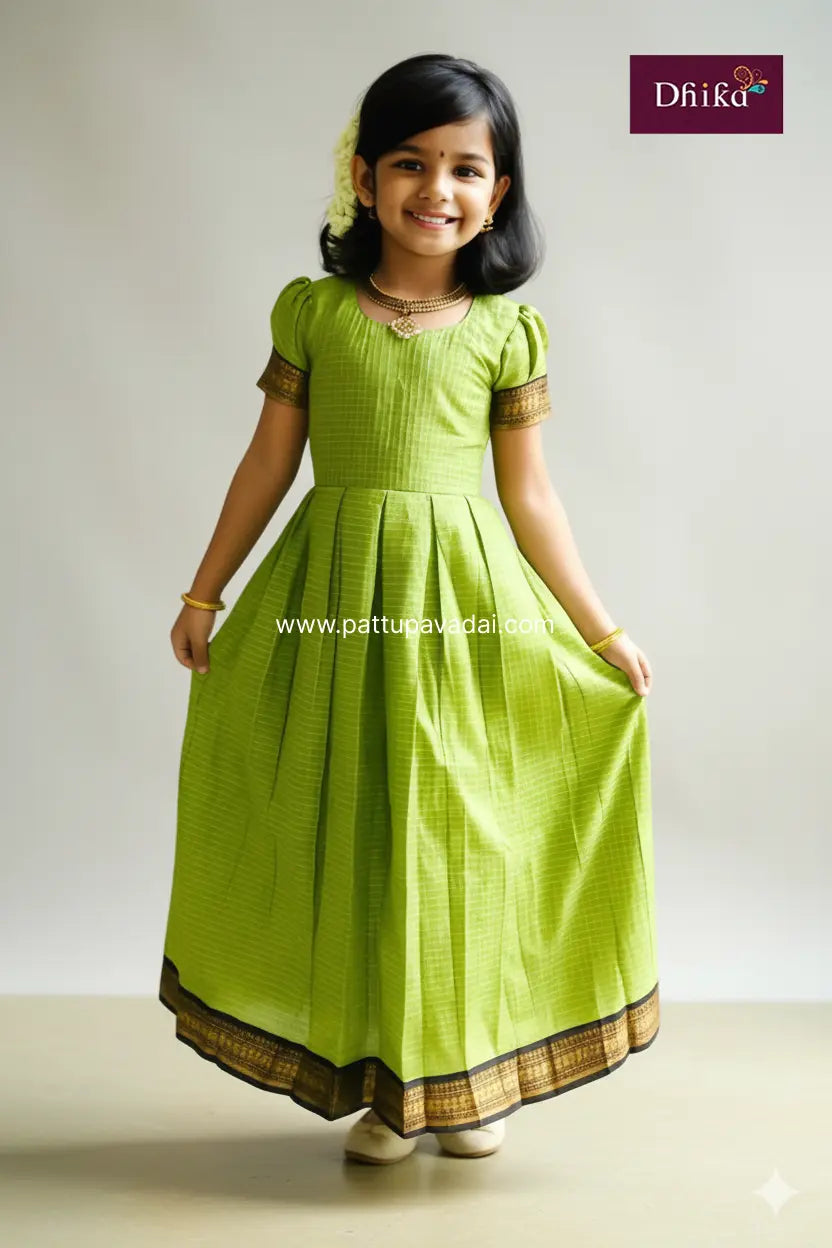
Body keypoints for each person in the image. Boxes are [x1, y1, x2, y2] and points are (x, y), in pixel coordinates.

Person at [160, 52, 659, 1167]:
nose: (437, 188)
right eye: (410, 163)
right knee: (356, 830)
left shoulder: (502, 333)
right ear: (363, 175)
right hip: (325, 601)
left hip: (463, 612)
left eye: (467, 169)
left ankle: (458, 1079)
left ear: (500, 191)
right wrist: (206, 588)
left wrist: (599, 628)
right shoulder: (315, 314)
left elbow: (530, 498)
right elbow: (266, 466)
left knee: (453, 836)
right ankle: (383, 1088)